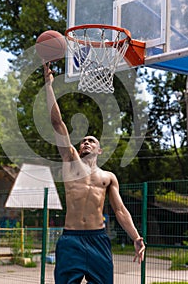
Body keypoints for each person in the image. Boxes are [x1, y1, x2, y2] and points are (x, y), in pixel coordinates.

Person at [44, 62, 145, 284]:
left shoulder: (108, 177)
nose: (86, 143)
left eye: (92, 141)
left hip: (98, 239)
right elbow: (57, 122)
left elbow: (120, 210)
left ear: (99, 150)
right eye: (83, 141)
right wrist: (49, 86)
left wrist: (136, 237)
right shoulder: (70, 162)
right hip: (71, 239)